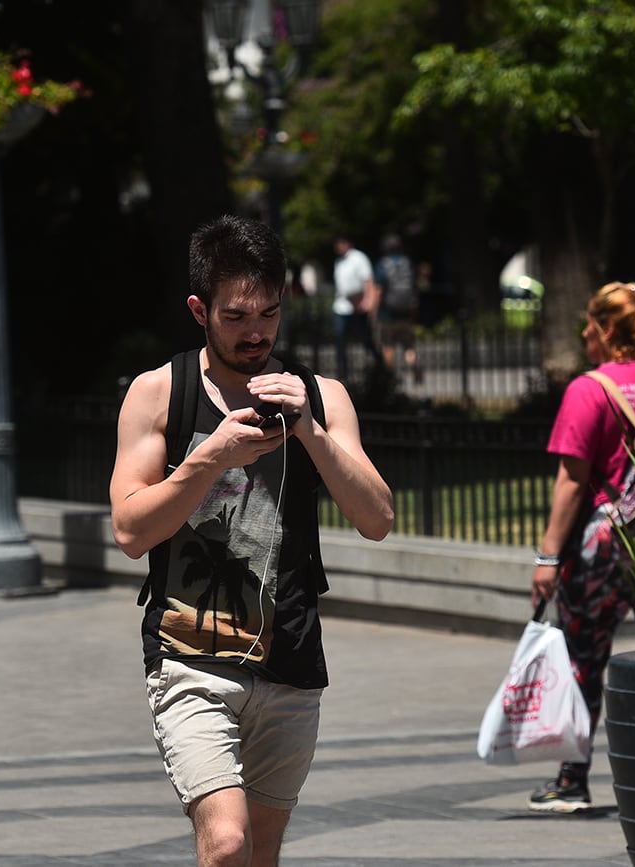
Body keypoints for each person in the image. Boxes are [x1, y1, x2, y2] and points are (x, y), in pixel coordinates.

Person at [110, 215, 394, 866]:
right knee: (226, 840)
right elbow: (129, 530)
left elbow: (377, 518)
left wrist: (311, 432)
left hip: (292, 660)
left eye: (268, 312)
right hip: (190, 655)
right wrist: (208, 458)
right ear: (198, 309)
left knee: (259, 854)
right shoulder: (160, 394)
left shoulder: (322, 397)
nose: (256, 332)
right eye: (235, 316)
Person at [528, 281, 635, 813]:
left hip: (605, 544)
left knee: (583, 659)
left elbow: (572, 482)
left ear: (606, 329)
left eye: (588, 324)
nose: (583, 334)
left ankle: (572, 780)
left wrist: (548, 557)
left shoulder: (590, 389)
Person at [331, 235, 384, 382]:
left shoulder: (359, 258)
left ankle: (379, 364)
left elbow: (368, 280)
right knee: (339, 338)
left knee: (364, 338)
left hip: (357, 305)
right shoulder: (339, 261)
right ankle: (343, 373)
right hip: (342, 305)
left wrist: (368, 300)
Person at [374, 234, 420, 379]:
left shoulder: (383, 265)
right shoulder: (408, 264)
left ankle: (390, 377)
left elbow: (379, 289)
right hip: (405, 311)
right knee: (408, 345)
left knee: (388, 345)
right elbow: (414, 287)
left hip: (387, 312)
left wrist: (374, 311)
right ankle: (413, 365)